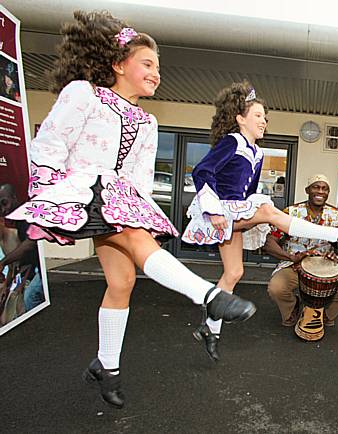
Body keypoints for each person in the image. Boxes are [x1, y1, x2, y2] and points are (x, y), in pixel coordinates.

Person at [6, 11, 256, 409]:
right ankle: (207, 296)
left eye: (159, 67)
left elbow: (138, 180)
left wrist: (143, 215)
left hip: (116, 200)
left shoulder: (148, 121)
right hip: (80, 189)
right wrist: (51, 194)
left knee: (122, 282)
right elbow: (49, 144)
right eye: (147, 63)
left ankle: (106, 366)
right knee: (131, 240)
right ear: (118, 65)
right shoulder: (84, 93)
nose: (156, 72)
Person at [181, 83, 338, 360]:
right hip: (219, 210)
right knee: (270, 211)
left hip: (235, 214)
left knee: (234, 274)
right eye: (258, 116)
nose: (264, 121)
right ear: (240, 118)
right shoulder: (233, 141)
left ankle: (211, 329)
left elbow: (248, 192)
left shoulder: (257, 153)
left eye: (265, 117)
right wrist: (214, 210)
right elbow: (202, 171)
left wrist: (249, 219)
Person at [262, 174, 338, 329]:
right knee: (276, 288)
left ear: (328, 192)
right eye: (316, 187)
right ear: (307, 190)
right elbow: (269, 242)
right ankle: (291, 308)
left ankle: (325, 314)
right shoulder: (290, 213)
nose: (320, 191)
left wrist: (337, 258)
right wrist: (290, 257)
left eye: (324, 188)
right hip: (294, 264)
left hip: (325, 266)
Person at [0, 184, 44, 312]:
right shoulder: (19, 221)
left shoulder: (25, 219)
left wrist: (4, 263)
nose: (3, 210)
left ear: (14, 198)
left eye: (5, 203)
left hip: (35, 271)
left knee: (30, 297)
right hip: (27, 273)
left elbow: (29, 247)